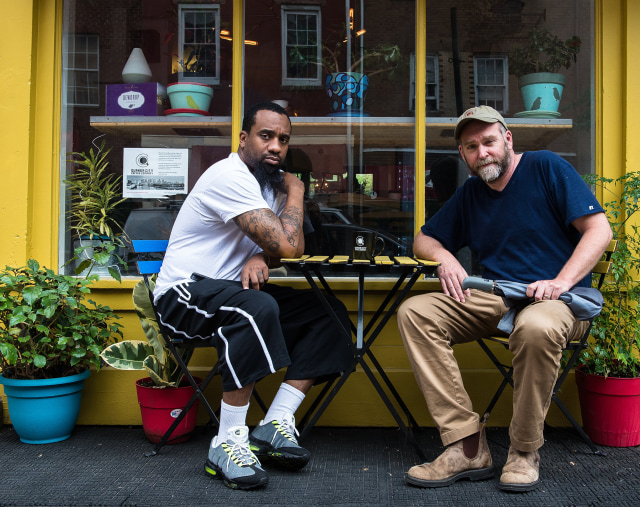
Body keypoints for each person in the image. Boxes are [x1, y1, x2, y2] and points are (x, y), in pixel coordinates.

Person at [397, 105, 612, 492]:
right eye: (472, 146)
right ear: (463, 155)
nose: (483, 153)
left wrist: (561, 282)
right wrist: (445, 258)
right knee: (416, 312)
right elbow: (423, 239)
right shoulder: (471, 194)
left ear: (508, 139)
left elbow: (599, 230)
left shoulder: (546, 167)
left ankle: (525, 450)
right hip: (497, 295)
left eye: (489, 142)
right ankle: (466, 445)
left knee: (536, 326)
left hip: (561, 301)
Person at [153, 102, 353, 491]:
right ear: (243, 139)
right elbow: (289, 245)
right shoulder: (229, 175)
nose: (276, 146)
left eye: (283, 139)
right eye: (266, 136)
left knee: (326, 312)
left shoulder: (265, 184)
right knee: (255, 307)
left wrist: (261, 254)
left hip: (230, 291)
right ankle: (227, 443)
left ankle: (275, 423)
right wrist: (296, 190)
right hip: (183, 295)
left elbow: (284, 246)